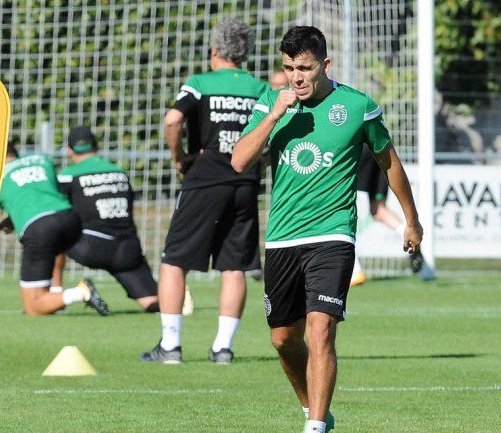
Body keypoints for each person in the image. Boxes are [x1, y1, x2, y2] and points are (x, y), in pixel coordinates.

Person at [231, 26, 423, 433]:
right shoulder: (271, 102)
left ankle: (315, 427)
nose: (296, 77)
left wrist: (411, 218)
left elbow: (389, 162)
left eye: (304, 68)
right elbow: (239, 161)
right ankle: (312, 409)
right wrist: (274, 116)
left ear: (325, 65)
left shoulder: (356, 106)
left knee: (321, 329)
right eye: (288, 68)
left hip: (333, 234)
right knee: (283, 340)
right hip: (283, 236)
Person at [141, 18, 268, 364]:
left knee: (173, 261)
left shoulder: (199, 83)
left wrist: (179, 156)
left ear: (214, 51)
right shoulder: (259, 89)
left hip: (205, 177)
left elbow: (172, 120)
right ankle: (223, 348)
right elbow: (271, 133)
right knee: (234, 266)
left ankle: (170, 346)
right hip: (244, 183)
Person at [0, 140, 110, 316]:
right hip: (69, 219)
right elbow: (44, 194)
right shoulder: (41, 160)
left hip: (40, 229)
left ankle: (80, 292)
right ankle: (56, 294)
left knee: (33, 308)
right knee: (54, 243)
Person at [56, 125, 160, 312]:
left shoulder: (68, 175)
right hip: (128, 250)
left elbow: (55, 210)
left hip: (92, 247)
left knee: (49, 233)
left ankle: (52, 296)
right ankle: (177, 296)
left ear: (70, 151)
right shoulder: (119, 172)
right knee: (153, 303)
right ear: (96, 147)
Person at [351, 145, 424, 286]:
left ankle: (355, 271)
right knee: (378, 209)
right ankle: (411, 235)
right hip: (380, 149)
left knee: (346, 210)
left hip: (358, 148)